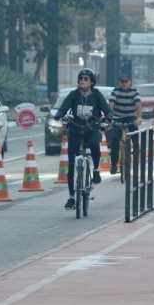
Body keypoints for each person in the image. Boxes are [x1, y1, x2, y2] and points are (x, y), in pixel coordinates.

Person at [53, 68, 112, 210]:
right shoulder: (74, 95)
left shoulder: (96, 95)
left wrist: (109, 117)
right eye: (80, 79)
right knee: (72, 163)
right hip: (75, 129)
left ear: (92, 82)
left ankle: (96, 170)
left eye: (86, 79)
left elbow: (107, 110)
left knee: (94, 144)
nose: (82, 81)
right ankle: (72, 197)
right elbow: (64, 107)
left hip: (92, 128)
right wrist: (59, 115)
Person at [107, 74, 142, 175]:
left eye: (126, 82)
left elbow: (138, 105)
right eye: (122, 82)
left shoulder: (134, 92)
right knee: (114, 139)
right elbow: (111, 104)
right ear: (119, 82)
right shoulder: (115, 91)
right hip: (118, 117)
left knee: (135, 135)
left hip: (131, 117)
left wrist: (139, 118)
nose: (124, 84)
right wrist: (110, 117)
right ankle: (114, 165)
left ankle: (135, 159)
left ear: (130, 82)